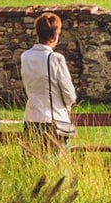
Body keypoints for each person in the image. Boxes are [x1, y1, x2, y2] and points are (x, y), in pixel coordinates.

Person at [21, 11, 76, 152]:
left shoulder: (25, 56)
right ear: (55, 35)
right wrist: (67, 107)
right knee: (56, 168)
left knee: (31, 164)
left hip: (31, 117)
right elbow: (69, 94)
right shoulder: (55, 58)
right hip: (54, 120)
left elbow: (28, 87)